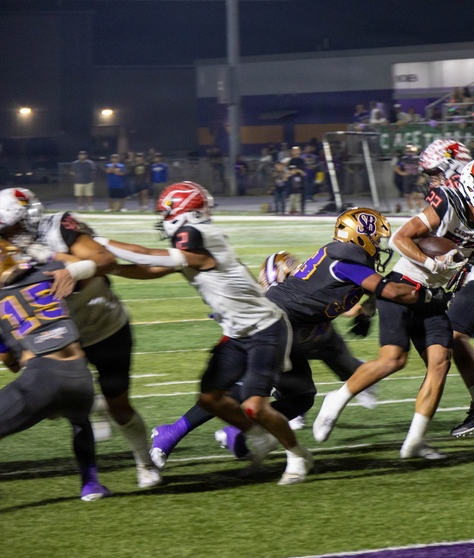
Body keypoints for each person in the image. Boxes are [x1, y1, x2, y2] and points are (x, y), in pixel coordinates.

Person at [148, 209, 422, 464]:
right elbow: (388, 290)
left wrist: (365, 313)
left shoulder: (349, 260)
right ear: (361, 236)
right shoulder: (345, 258)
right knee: (242, 387)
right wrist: (429, 290)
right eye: (377, 238)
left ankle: (238, 432)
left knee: (301, 396)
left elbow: (369, 291)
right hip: (272, 322)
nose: (380, 245)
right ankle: (171, 433)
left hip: (290, 327)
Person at [313, 158, 474, 460]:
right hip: (404, 284)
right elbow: (400, 238)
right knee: (393, 360)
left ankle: (414, 441)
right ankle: (336, 399)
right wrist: (432, 262)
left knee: (440, 361)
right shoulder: (448, 203)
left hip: (434, 296)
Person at [93, 181, 314, 485]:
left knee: (255, 405)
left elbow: (147, 255)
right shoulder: (194, 242)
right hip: (237, 333)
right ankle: (260, 437)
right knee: (211, 399)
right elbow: (150, 269)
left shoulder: (202, 236)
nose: (164, 218)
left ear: (183, 212)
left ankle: (298, 454)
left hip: (266, 329)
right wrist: (106, 268)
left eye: (167, 212)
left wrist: (96, 241)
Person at [0, 187, 162, 488]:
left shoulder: (60, 225)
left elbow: (104, 260)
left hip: (105, 324)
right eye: (5, 231)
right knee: (56, 405)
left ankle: (145, 463)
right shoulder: (8, 253)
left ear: (29, 214)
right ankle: (93, 411)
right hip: (61, 334)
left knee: (119, 405)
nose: (10, 236)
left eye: (14, 227)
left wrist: (68, 266)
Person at [0, 240, 104, 507]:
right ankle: (91, 484)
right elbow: (91, 266)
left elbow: (8, 358)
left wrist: (30, 378)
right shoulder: (52, 271)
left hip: (41, 376)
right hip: (82, 376)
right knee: (80, 420)